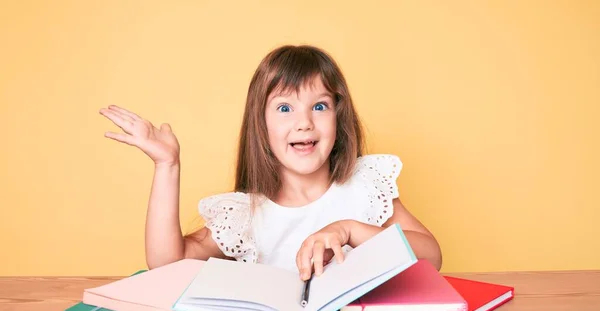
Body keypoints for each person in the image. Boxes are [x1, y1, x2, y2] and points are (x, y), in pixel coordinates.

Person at [99, 44, 442, 281]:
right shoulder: (245, 215)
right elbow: (166, 264)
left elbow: (431, 257)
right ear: (260, 125)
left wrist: (348, 229)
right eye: (284, 108)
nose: (304, 122)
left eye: (319, 106)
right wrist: (167, 166)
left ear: (338, 117)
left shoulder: (364, 186)